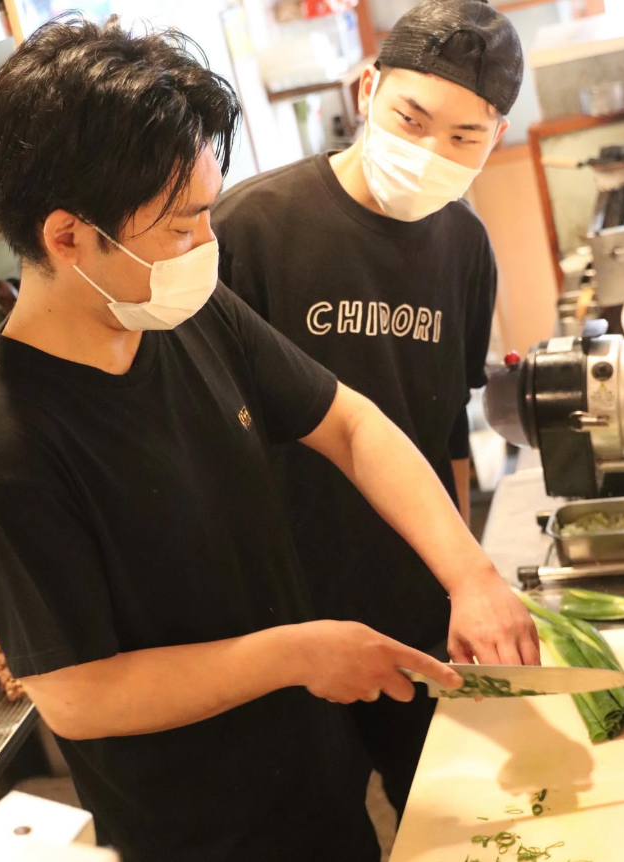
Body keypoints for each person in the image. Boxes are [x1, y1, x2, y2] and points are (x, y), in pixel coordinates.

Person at [0, 15, 537, 862]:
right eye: (182, 226)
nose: (207, 244)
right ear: (68, 236)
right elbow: (77, 694)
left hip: (312, 781)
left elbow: (350, 423)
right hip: (203, 833)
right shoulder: (4, 447)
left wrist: (469, 575)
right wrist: (293, 654)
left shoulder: (188, 317)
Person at [212, 0, 524, 818]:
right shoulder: (252, 226)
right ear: (367, 88)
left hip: (410, 602)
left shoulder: (465, 247)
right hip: (279, 613)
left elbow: (446, 426)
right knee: (315, 829)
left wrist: (459, 579)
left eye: (463, 137)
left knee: (444, 815)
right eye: (410, 119)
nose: (428, 153)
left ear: (495, 138)